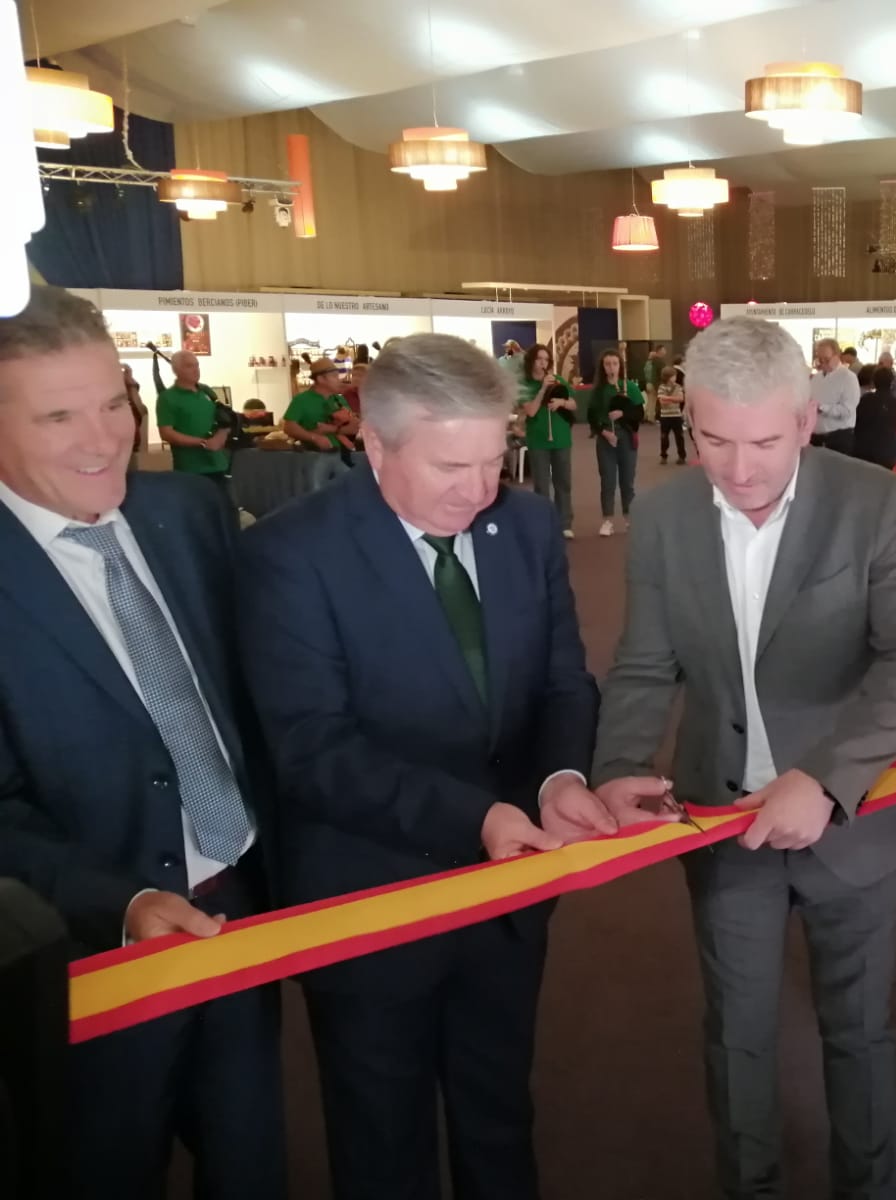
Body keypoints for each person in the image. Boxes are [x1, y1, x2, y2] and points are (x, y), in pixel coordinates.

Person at [570, 316, 896, 1200]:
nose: (738, 469)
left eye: (765, 442)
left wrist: (826, 779)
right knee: (737, 1033)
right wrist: (620, 767)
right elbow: (644, 662)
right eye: (713, 439)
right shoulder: (665, 514)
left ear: (807, 419)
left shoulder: (873, 503)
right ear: (687, 418)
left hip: (851, 817)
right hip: (720, 814)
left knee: (857, 1029)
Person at [236, 332, 610, 1200]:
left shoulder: (519, 523)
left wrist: (560, 781)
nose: (479, 489)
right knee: (382, 1137)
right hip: (370, 900)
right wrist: (475, 817)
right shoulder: (292, 555)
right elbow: (311, 746)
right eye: (451, 465)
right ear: (373, 444)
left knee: (498, 1114)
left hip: (510, 892)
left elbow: (563, 679)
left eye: (495, 458)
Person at [0, 286, 284, 1199]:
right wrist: (122, 903)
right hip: (93, 957)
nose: (102, 438)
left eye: (113, 402)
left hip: (240, 911)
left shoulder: (188, 514)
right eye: (57, 415)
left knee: (251, 1160)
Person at [520, 344, 576, 538]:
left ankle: (565, 524)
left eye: (546, 359)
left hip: (561, 438)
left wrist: (562, 402)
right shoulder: (526, 385)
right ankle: (544, 523)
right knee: (541, 485)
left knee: (563, 482)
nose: (543, 363)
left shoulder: (559, 381)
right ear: (532, 361)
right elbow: (531, 411)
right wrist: (543, 388)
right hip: (538, 440)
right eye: (539, 359)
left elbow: (573, 404)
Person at [156, 348, 232, 491]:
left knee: (224, 509)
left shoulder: (206, 391)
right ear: (176, 370)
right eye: (189, 366)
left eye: (197, 365)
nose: (196, 370)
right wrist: (203, 443)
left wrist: (222, 435)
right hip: (191, 468)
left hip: (219, 464)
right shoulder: (167, 398)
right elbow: (166, 433)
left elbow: (225, 417)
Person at [589, 348, 644, 537]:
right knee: (608, 481)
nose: (611, 367)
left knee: (627, 481)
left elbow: (640, 414)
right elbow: (592, 417)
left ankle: (629, 519)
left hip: (627, 439)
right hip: (606, 440)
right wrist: (605, 433)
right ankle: (608, 521)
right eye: (607, 364)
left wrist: (623, 413)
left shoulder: (630, 387)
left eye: (614, 363)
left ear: (620, 366)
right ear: (602, 367)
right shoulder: (598, 391)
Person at [810, 337, 860, 455]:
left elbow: (847, 410)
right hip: (815, 438)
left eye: (826, 359)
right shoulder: (816, 378)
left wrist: (821, 408)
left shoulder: (848, 377)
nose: (822, 363)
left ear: (837, 356)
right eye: (819, 359)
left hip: (838, 439)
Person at [852, 364, 896, 471]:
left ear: (873, 381)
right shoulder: (894, 402)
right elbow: (895, 423)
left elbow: (856, 421)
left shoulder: (866, 400)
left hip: (865, 451)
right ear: (891, 382)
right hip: (887, 452)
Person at [657, 363, 688, 464]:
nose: (675, 377)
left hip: (676, 416)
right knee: (664, 437)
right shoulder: (661, 387)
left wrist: (668, 398)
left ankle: (682, 456)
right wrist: (673, 399)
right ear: (668, 377)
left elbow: (681, 399)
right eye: (673, 376)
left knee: (679, 437)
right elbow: (662, 402)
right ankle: (663, 455)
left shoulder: (678, 387)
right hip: (665, 417)